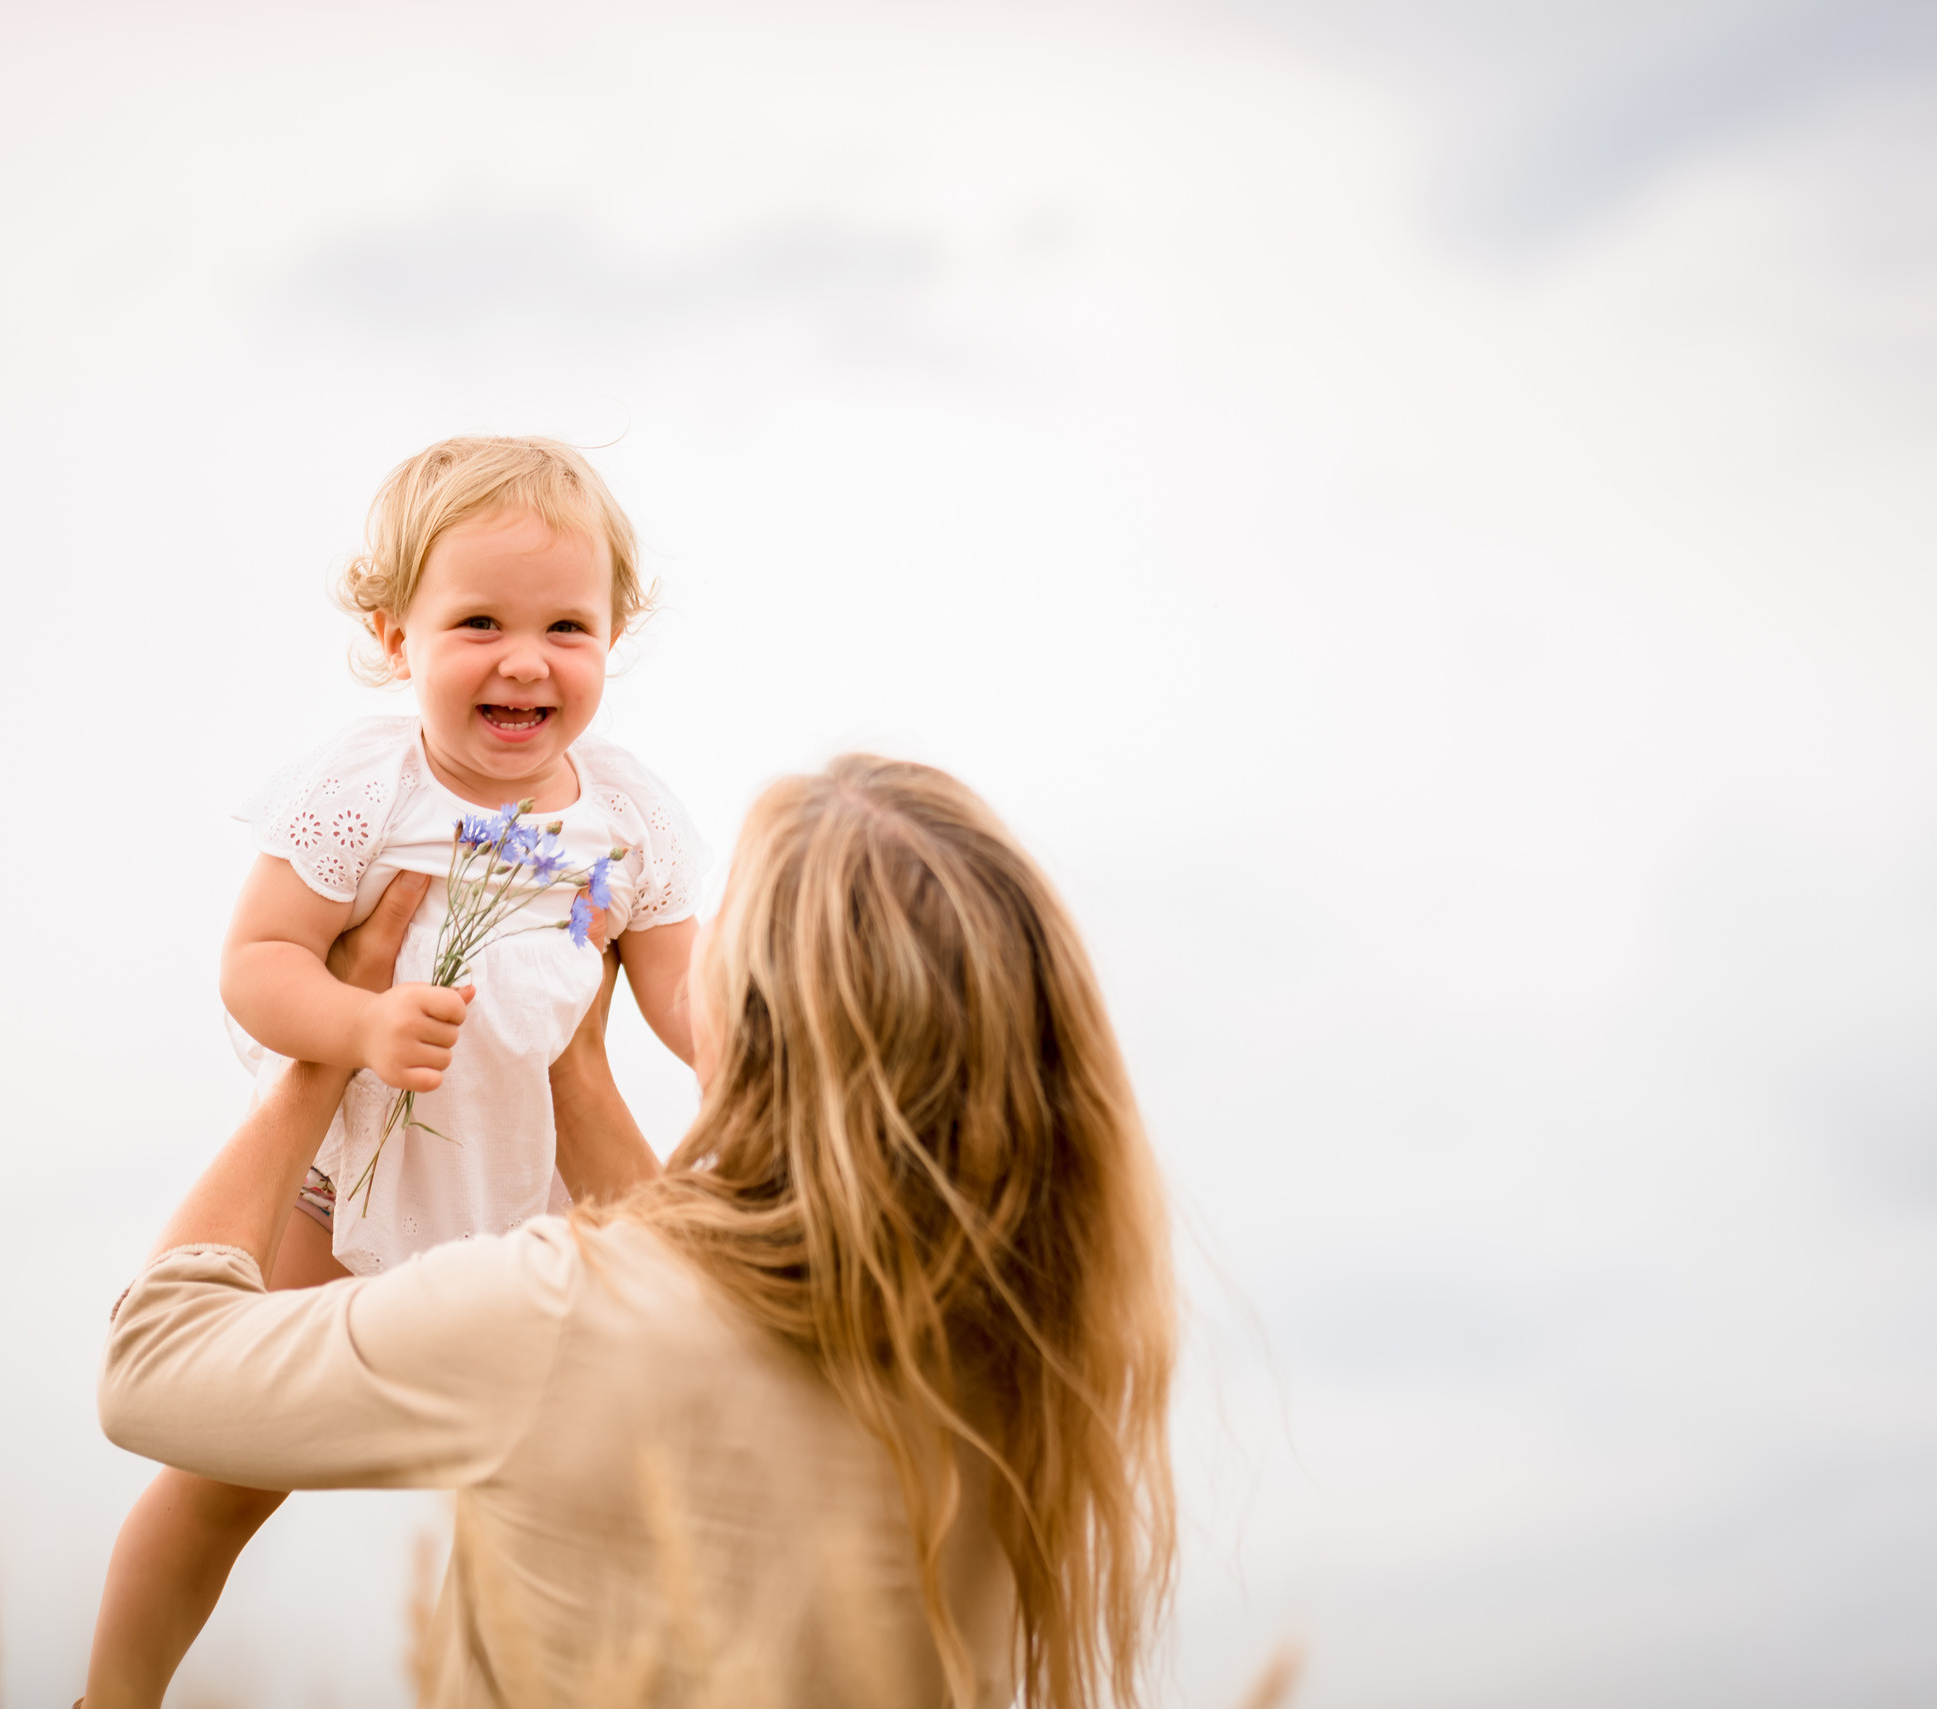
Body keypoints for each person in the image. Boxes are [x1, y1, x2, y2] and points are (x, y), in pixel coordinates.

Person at [96, 756, 1179, 1708]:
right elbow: (715, 1302)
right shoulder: (1026, 1364)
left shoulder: (561, 1314)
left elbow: (152, 1366)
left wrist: (322, 1057)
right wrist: (573, 1068)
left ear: (756, 1024)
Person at [84, 436, 703, 1704]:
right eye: (477, 619)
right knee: (226, 1470)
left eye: (567, 626)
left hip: (537, 1209)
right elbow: (258, 960)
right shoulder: (369, 787)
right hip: (343, 1184)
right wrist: (358, 1027)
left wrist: (774, 1053)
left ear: (615, 633)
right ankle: (113, 1693)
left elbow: (683, 993)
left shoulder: (628, 817)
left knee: (563, 1487)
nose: (525, 658)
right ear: (392, 631)